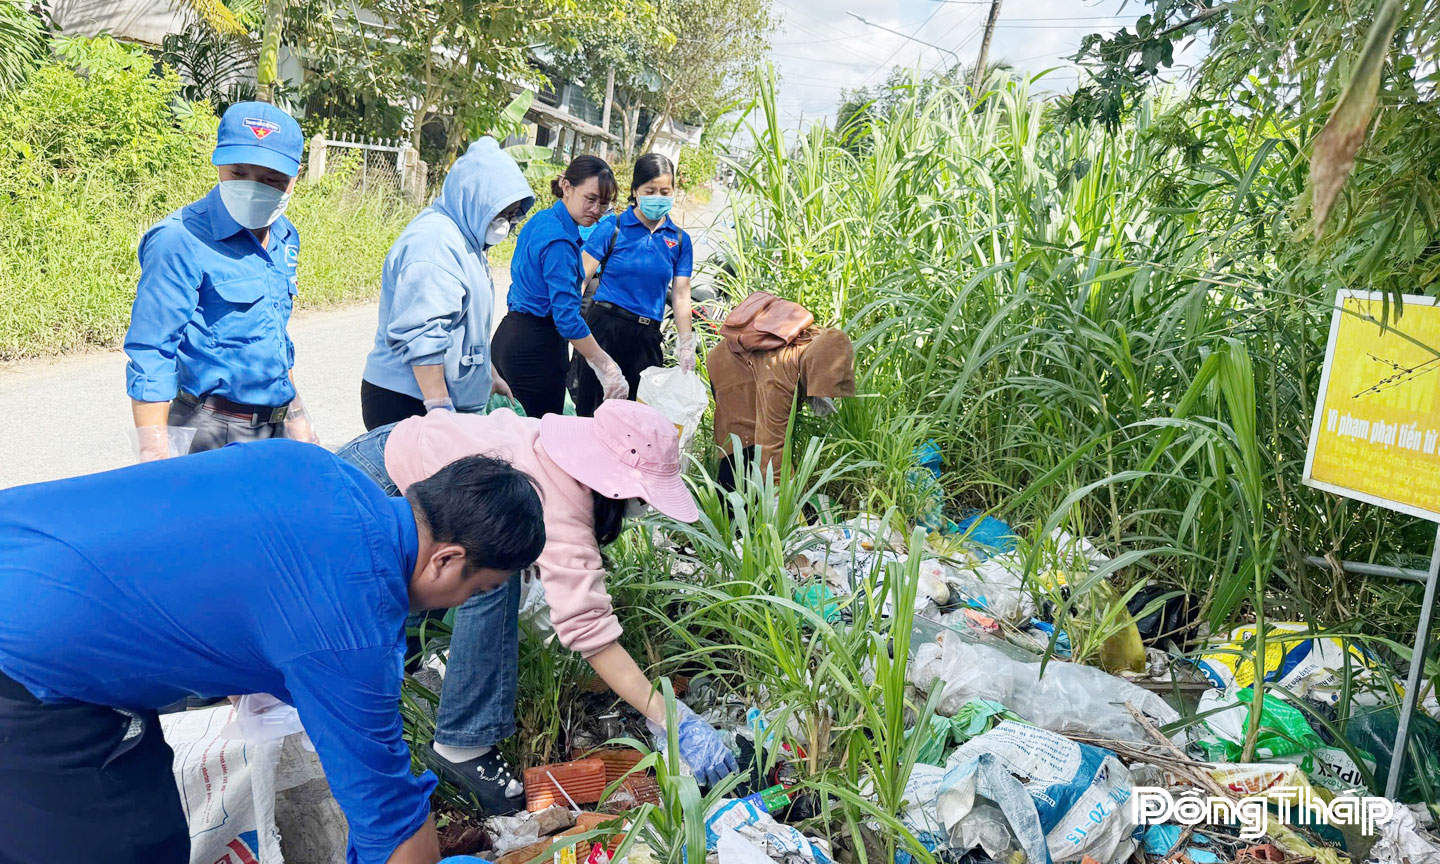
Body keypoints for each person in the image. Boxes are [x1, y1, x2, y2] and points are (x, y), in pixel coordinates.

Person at [0, 441, 547, 864]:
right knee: (123, 847)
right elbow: (391, 824)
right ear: (447, 560)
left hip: (27, 551)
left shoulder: (321, 469)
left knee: (154, 829)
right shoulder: (353, 620)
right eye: (475, 592)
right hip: (27, 657)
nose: (462, 604)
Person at [335, 400, 739, 814]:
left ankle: (430, 719)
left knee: (485, 574)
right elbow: (590, 633)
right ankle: (456, 746)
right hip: (380, 487)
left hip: (385, 452)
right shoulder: (559, 501)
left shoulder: (562, 448)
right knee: (373, 629)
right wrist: (669, 716)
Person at [124, 101, 320, 460]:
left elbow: (273, 337)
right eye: (238, 172)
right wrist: (154, 459)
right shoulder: (179, 240)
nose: (252, 188)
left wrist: (297, 420)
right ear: (218, 164)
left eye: (271, 180)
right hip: (207, 430)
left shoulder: (284, 236)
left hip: (272, 429)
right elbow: (152, 352)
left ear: (295, 178)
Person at [361, 137, 535, 430]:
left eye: (511, 214)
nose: (505, 223)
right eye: (500, 213)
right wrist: (441, 413)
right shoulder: (435, 244)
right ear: (474, 199)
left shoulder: (466, 238)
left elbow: (463, 328)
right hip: (409, 402)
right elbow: (422, 336)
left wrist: (487, 375)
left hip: (435, 399)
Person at [495, 156, 629, 418]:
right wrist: (606, 365)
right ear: (567, 186)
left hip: (509, 335)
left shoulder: (542, 220)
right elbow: (567, 319)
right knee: (538, 441)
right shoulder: (561, 243)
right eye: (590, 199)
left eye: (603, 204)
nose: (596, 210)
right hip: (535, 348)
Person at [570, 153, 696, 417]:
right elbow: (580, 277)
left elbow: (681, 295)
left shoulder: (680, 240)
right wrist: (567, 321)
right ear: (636, 190)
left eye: (665, 191)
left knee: (635, 420)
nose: (658, 197)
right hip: (605, 329)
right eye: (650, 190)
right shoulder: (614, 227)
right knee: (592, 412)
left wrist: (686, 343)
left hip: (646, 338)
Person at [707, 291, 856, 491]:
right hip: (730, 370)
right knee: (742, 444)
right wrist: (782, 496)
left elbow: (824, 369)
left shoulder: (821, 341)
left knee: (759, 446)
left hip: (751, 358)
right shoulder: (781, 372)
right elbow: (772, 441)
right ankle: (731, 513)